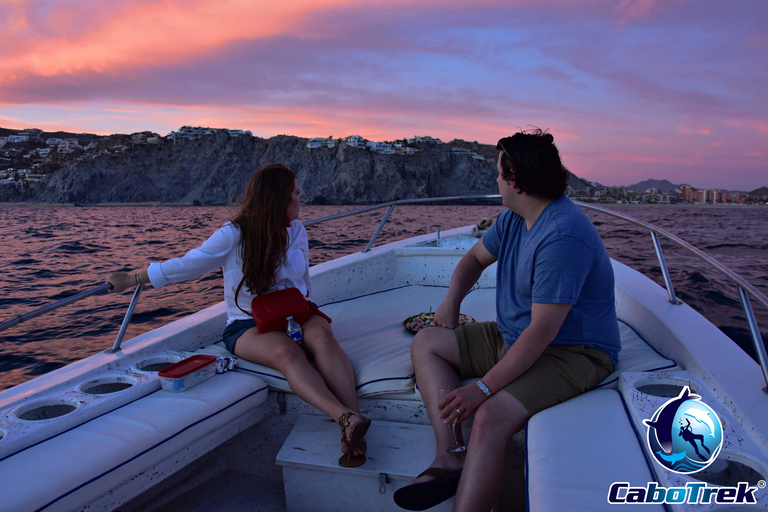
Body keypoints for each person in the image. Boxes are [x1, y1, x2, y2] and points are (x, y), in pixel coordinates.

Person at [394, 129, 621, 511]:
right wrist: (451, 301)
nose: (495, 180)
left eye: (499, 173)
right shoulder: (515, 219)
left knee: (489, 418)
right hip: (512, 336)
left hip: (574, 353)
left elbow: (543, 332)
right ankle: (451, 456)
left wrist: (481, 389)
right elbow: (472, 261)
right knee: (427, 342)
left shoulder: (563, 234)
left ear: (515, 180)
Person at [106, 163, 371, 468]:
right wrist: (133, 279)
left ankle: (354, 421)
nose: (301, 200)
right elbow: (188, 264)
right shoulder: (234, 234)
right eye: (295, 194)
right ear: (277, 200)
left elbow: (303, 284)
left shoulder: (297, 231)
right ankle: (342, 417)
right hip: (247, 325)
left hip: (292, 314)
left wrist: (303, 321)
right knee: (286, 353)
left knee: (323, 334)